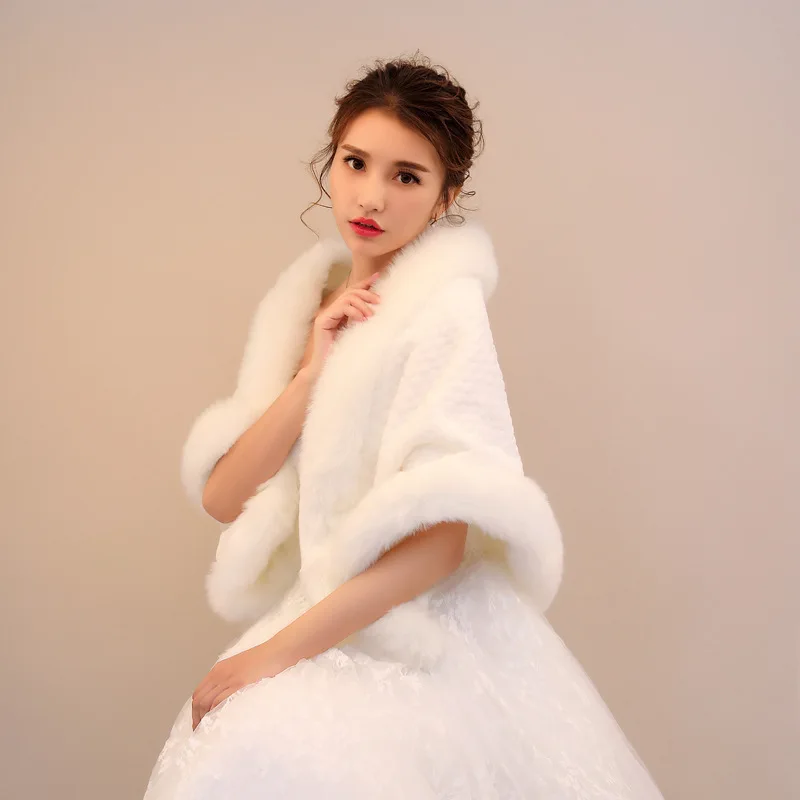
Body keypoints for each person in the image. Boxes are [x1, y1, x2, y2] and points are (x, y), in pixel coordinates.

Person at [143, 55, 664, 799]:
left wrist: (272, 656)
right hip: (326, 614)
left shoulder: (442, 311)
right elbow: (225, 497)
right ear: (330, 161)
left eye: (407, 177)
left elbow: (440, 543)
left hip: (412, 636)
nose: (372, 197)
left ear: (445, 195)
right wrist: (312, 373)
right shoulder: (312, 298)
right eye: (355, 162)